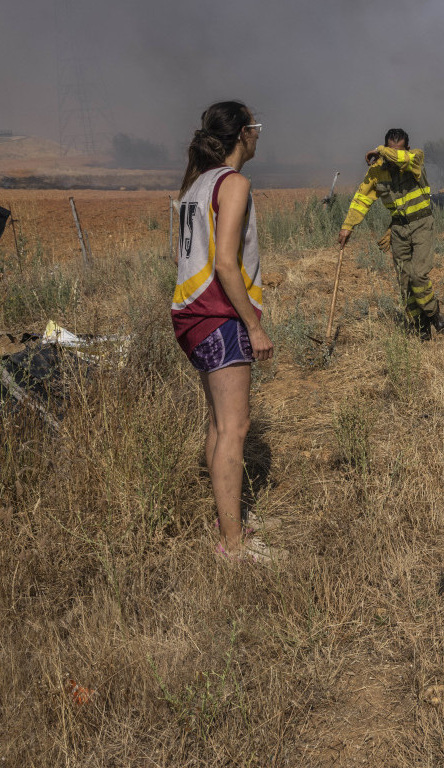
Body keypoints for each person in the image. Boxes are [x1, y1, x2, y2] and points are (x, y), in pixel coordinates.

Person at [172, 101, 274, 563]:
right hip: (220, 316)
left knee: (218, 423)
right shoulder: (233, 184)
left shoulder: (197, 184)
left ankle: (227, 521)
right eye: (255, 125)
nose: (259, 133)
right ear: (242, 135)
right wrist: (253, 326)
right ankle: (233, 547)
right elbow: (225, 263)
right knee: (235, 427)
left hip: (192, 316)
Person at [337, 128, 444, 339]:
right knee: (405, 280)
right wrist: (348, 226)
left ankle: (434, 314)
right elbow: (361, 200)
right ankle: (420, 326)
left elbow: (402, 158)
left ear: (407, 149)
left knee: (419, 274)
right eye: (389, 151)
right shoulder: (377, 171)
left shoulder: (415, 158)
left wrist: (380, 150)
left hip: (422, 225)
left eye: (396, 151)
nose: (392, 157)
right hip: (398, 230)